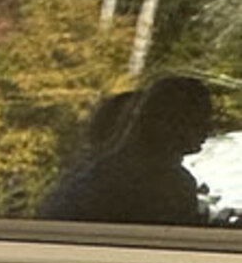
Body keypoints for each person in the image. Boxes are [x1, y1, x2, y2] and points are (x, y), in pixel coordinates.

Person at [36, 74, 216, 227]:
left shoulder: (90, 171)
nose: (208, 128)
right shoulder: (163, 185)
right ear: (168, 122)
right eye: (198, 119)